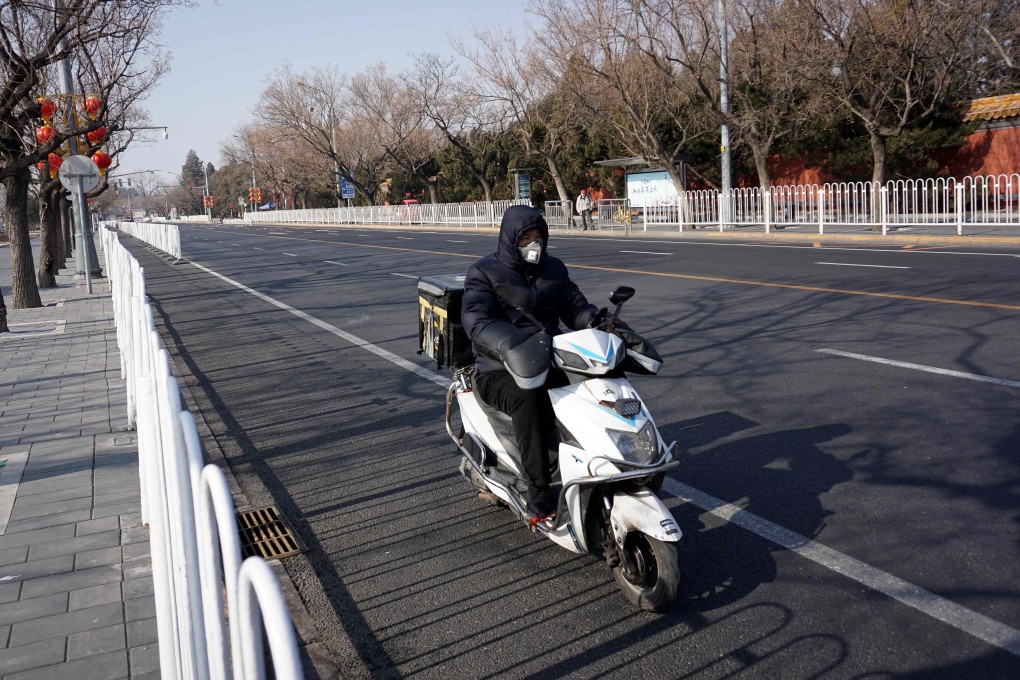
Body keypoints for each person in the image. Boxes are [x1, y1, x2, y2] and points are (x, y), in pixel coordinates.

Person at [462, 205, 599, 518]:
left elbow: (575, 308)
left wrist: (599, 323)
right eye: (526, 237)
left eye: (539, 236)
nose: (534, 243)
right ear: (511, 239)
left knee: (599, 385)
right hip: (498, 368)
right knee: (530, 399)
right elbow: (476, 320)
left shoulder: (554, 269)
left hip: (550, 358)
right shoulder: (484, 272)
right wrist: (510, 344)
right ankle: (537, 488)